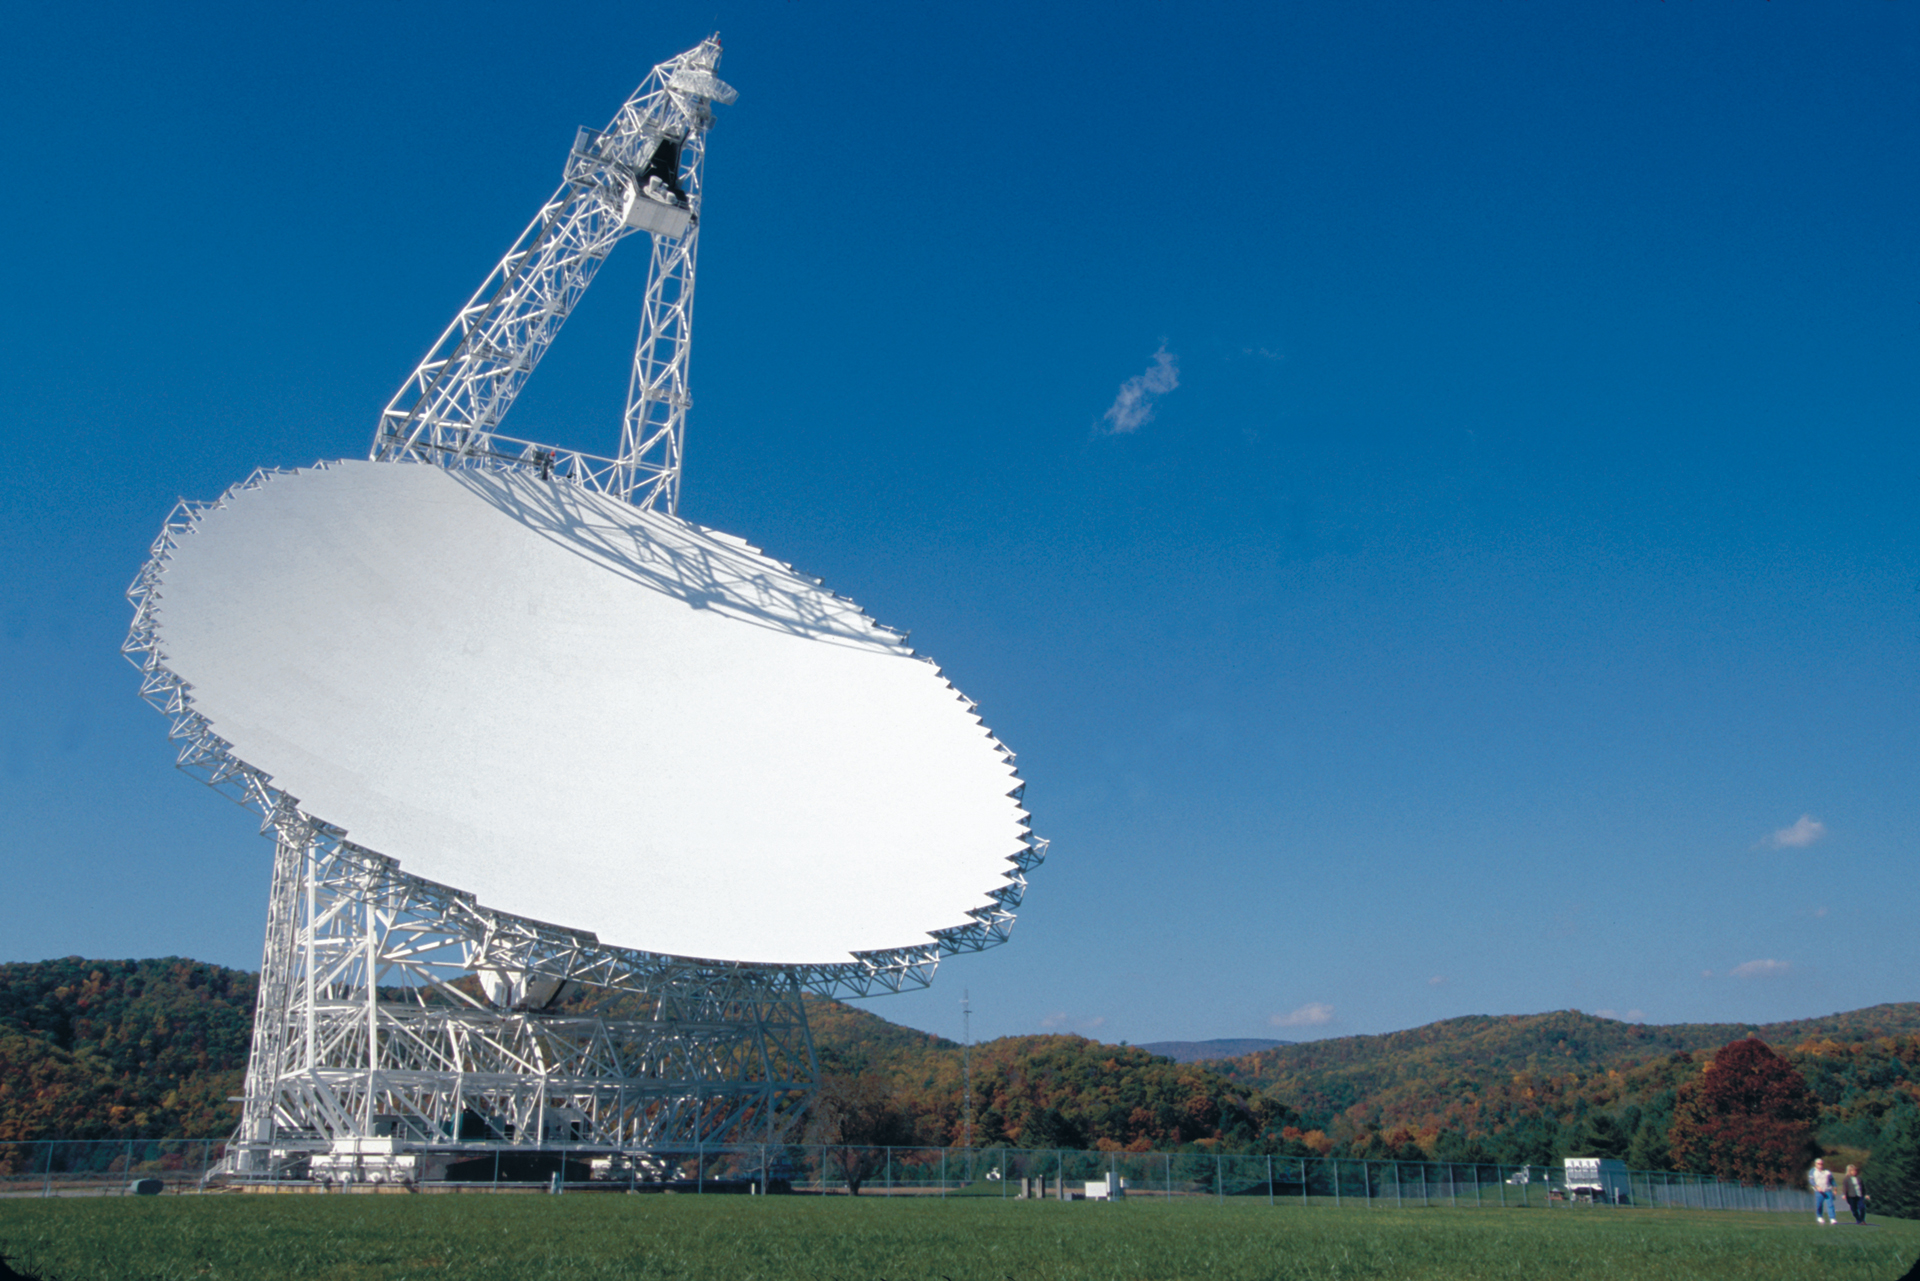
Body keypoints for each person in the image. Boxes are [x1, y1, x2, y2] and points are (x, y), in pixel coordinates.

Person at [1809, 1157, 1836, 1224]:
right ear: (1815, 1164)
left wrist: (1835, 1189)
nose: (1820, 1165)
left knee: (1830, 1205)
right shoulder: (1813, 1171)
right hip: (1819, 1191)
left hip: (1827, 1190)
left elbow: (1832, 1180)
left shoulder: (1827, 1171)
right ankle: (1819, 1216)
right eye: (1818, 1164)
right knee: (1819, 1205)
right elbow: (1811, 1180)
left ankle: (1832, 1218)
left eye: (1821, 1164)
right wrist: (1816, 1186)